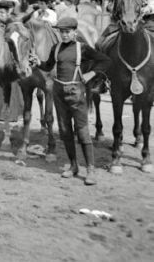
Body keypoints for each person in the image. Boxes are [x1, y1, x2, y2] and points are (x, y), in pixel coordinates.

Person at [31, 17, 111, 185]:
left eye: (67, 32)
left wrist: (92, 73)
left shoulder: (82, 48)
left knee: (82, 132)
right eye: (62, 32)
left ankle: (90, 170)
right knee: (65, 131)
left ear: (75, 32)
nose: (64, 35)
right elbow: (47, 66)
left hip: (76, 92)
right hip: (59, 92)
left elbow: (105, 60)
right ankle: (73, 165)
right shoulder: (56, 47)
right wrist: (38, 62)